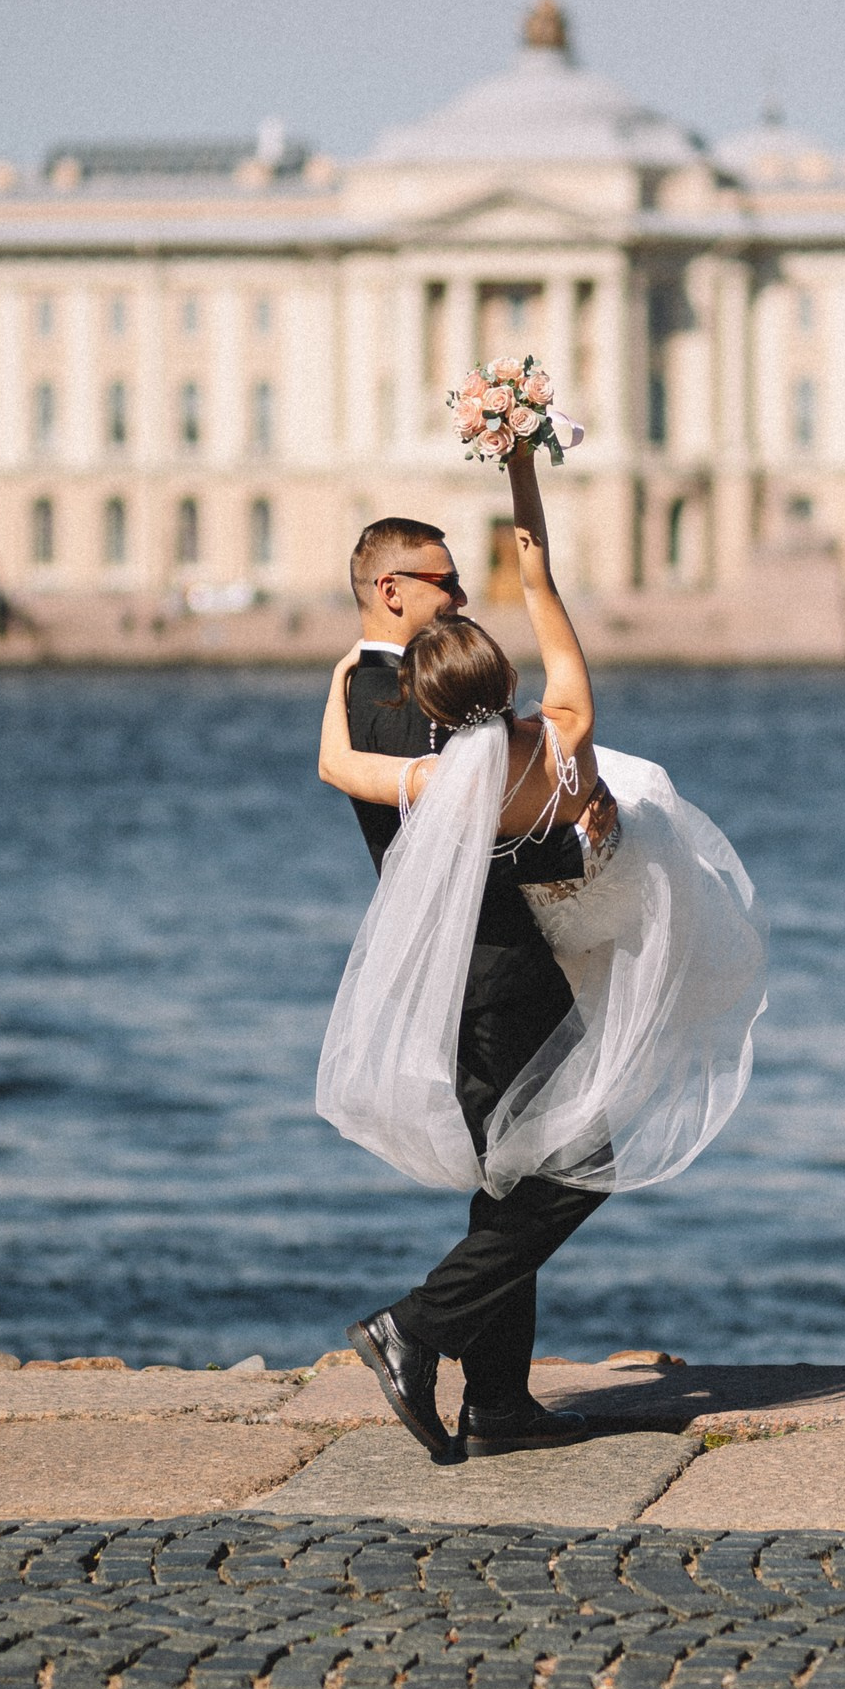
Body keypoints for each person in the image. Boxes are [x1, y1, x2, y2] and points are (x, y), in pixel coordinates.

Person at [315, 439, 766, 1464]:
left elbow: (342, 763)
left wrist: (343, 705)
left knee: (513, 1184)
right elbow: (541, 575)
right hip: (506, 974)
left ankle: (501, 1401)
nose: (462, 593)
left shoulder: (386, 719)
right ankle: (415, 1324)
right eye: (444, 584)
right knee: (578, 1171)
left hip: (448, 978)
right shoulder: (551, 738)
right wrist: (521, 469)